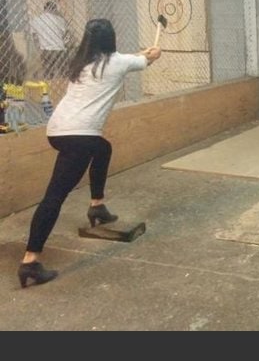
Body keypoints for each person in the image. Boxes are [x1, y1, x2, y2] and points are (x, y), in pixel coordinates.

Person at [18, 18, 161, 288]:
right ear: (111, 39)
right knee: (54, 197)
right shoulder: (118, 62)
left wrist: (141, 54)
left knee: (103, 148)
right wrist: (153, 53)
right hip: (80, 136)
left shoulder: (83, 62)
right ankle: (30, 261)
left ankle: (97, 206)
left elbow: (132, 58)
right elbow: (147, 59)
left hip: (58, 130)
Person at [29, 1, 71, 79]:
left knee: (47, 72)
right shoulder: (60, 20)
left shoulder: (36, 20)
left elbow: (33, 36)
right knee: (61, 72)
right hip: (59, 49)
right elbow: (67, 35)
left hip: (45, 49)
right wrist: (64, 42)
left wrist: (38, 47)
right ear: (54, 9)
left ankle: (49, 86)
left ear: (44, 9)